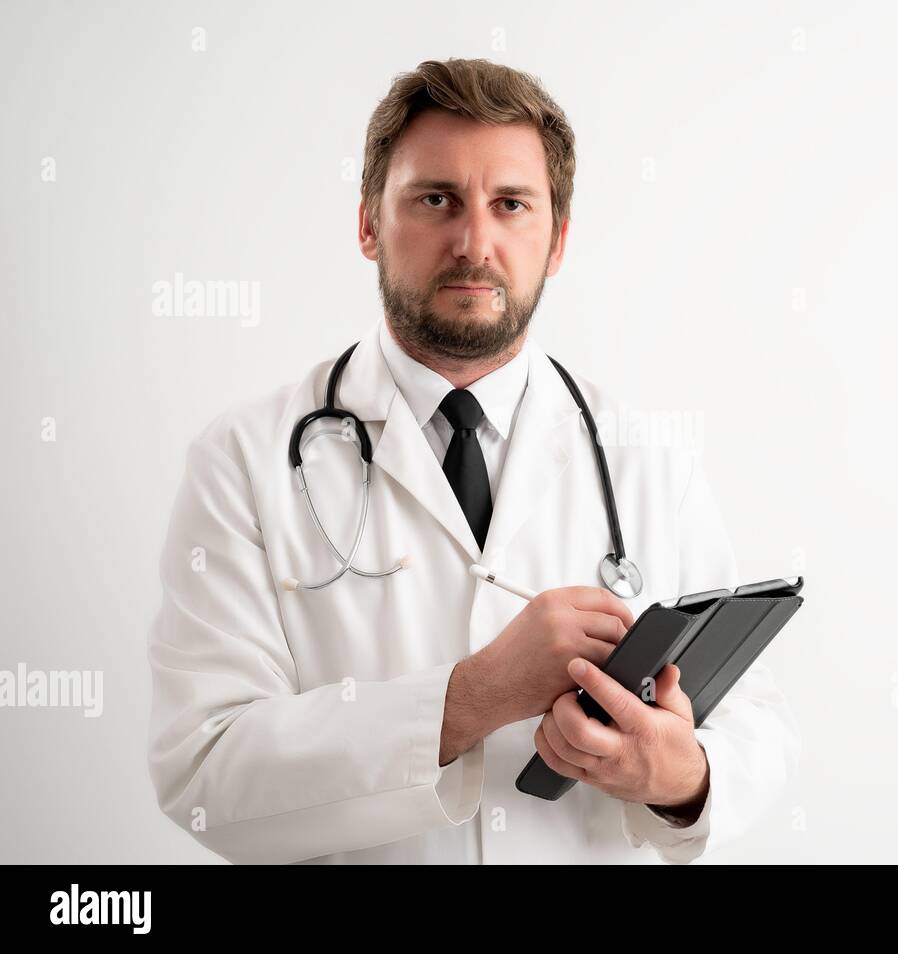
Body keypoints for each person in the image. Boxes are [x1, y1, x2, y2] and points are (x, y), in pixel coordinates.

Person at [146, 57, 799, 864]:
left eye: (511, 205)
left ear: (556, 240)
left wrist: (678, 774)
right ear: (368, 225)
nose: (473, 242)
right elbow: (205, 775)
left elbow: (755, 725)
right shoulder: (242, 461)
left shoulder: (648, 457)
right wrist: (473, 696)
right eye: (436, 200)